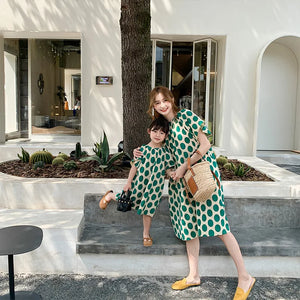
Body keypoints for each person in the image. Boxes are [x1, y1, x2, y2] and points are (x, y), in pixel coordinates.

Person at [134, 86, 255, 300]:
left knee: (219, 225)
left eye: (164, 100)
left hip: (202, 176)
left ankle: (245, 277)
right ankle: (193, 275)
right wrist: (140, 153)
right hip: (181, 184)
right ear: (152, 107)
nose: (162, 105)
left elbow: (206, 144)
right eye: (156, 103)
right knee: (189, 228)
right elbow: (160, 155)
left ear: (171, 99)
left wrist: (184, 166)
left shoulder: (187, 116)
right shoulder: (163, 128)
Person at [99, 116, 174, 247]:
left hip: (155, 188)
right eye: (155, 131)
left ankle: (146, 234)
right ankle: (110, 195)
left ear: (166, 136)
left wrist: (171, 173)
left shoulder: (166, 153)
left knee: (148, 210)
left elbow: (167, 169)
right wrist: (128, 182)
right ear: (149, 131)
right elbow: (134, 166)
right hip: (139, 183)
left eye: (162, 133)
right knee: (130, 200)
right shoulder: (142, 150)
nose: (158, 135)